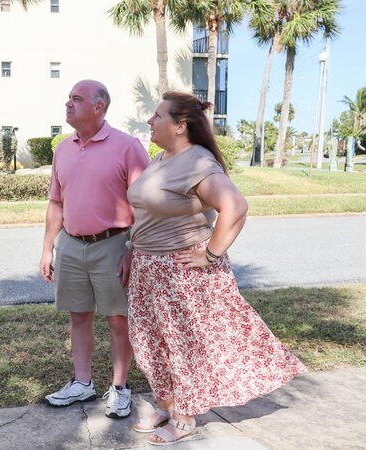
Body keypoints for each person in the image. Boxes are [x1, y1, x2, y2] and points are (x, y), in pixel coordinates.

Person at [126, 91, 306, 445]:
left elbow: (235, 206)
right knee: (148, 341)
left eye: (158, 116)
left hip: (178, 270)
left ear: (180, 127)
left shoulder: (197, 162)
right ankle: (168, 403)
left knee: (182, 344)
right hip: (148, 267)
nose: (150, 121)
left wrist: (210, 254)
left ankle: (184, 415)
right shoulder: (163, 157)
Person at [40, 79, 150, 419]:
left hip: (114, 245)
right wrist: (47, 250)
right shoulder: (63, 149)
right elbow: (56, 203)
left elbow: (146, 205)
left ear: (98, 107)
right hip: (71, 246)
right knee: (79, 316)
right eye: (69, 98)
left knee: (118, 320)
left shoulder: (127, 147)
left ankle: (120, 389)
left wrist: (134, 248)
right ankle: (82, 383)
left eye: (77, 99)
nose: (68, 104)